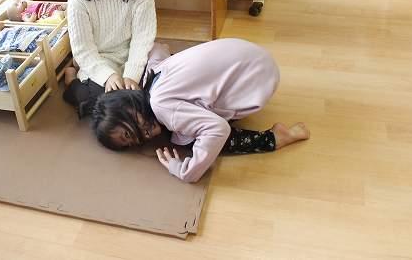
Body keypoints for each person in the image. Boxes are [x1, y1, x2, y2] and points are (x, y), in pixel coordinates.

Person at [80, 39, 310, 183]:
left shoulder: (161, 106)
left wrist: (184, 170)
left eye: (128, 132)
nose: (141, 138)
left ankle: (274, 138)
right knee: (185, 124)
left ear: (128, 105)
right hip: (251, 55)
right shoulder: (153, 73)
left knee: (192, 140)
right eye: (130, 143)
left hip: (258, 80)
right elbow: (158, 47)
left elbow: (217, 130)